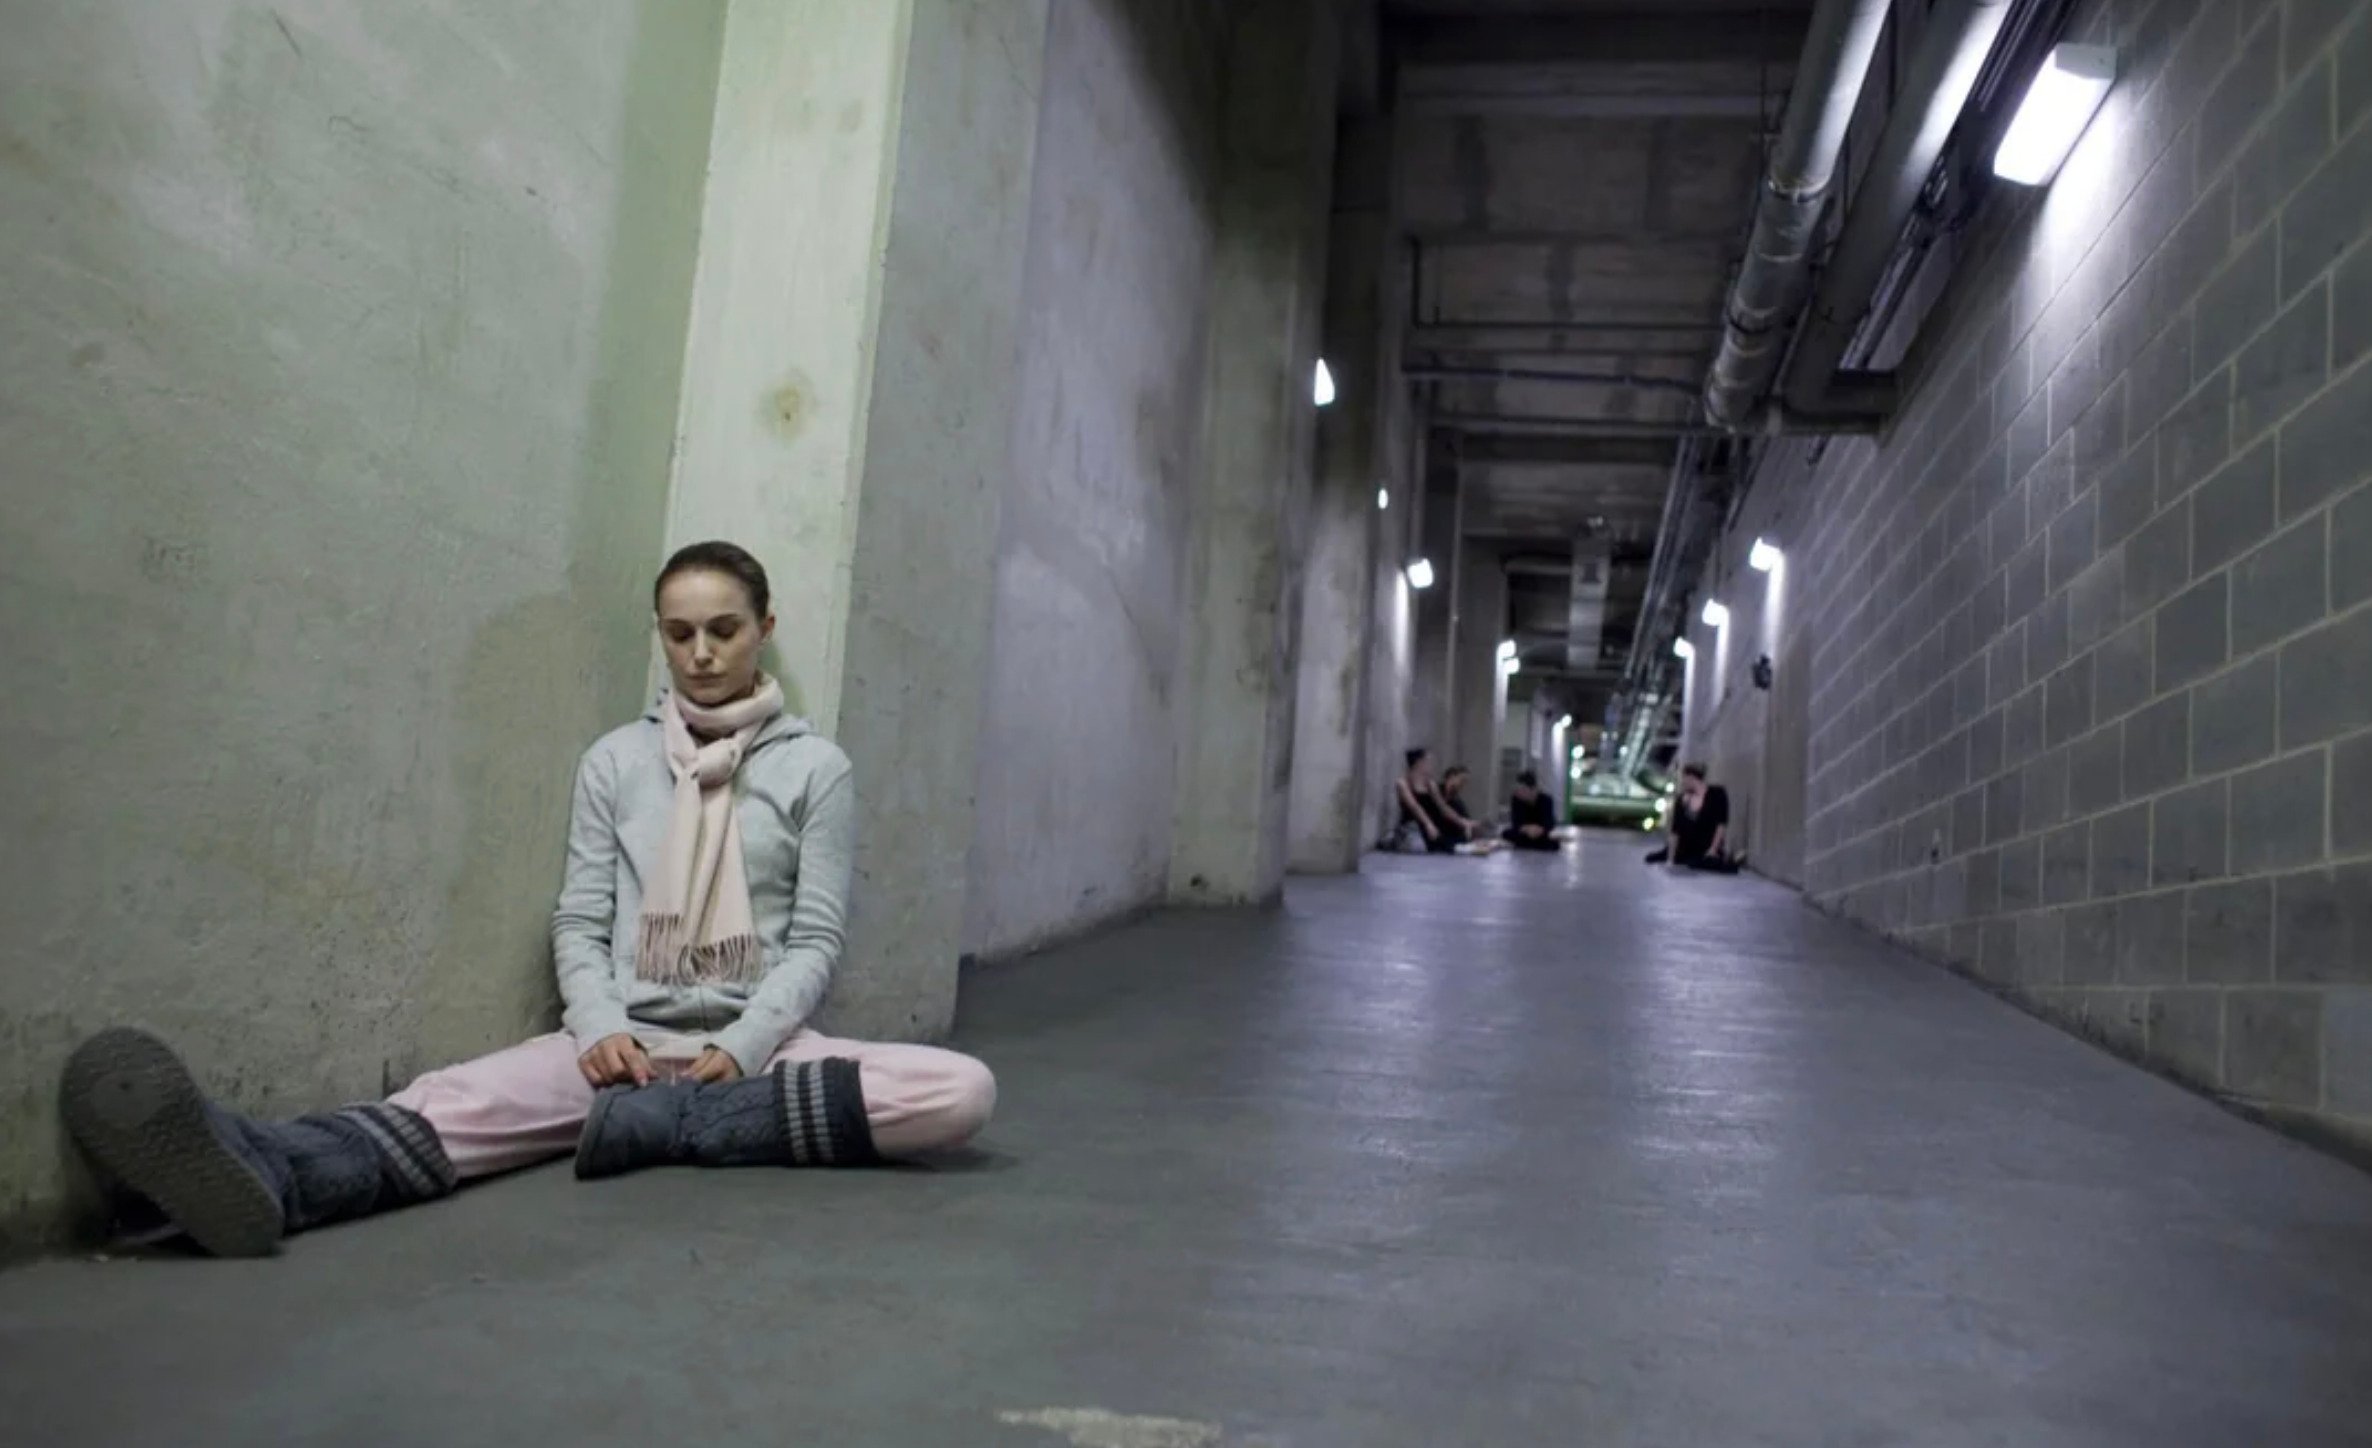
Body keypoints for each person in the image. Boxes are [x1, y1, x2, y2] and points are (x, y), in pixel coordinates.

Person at [58, 541, 997, 1258]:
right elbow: (581, 920)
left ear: (765, 628)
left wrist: (743, 1046)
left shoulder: (813, 769)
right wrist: (595, 1029)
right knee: (445, 1109)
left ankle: (679, 1129)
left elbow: (815, 941)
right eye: (680, 632)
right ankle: (259, 1167)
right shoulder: (617, 761)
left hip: (748, 1055)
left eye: (725, 629)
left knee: (955, 1090)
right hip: (618, 1048)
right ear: (660, 634)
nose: (702, 653)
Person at [1644, 762, 1743, 873]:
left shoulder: (1717, 794)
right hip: (1685, 846)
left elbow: (1721, 824)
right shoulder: (1682, 799)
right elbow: (1675, 830)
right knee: (1652, 858)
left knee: (1700, 863)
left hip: (1705, 845)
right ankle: (1678, 856)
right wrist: (1670, 860)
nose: (1682, 782)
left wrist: (1713, 849)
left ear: (1692, 778)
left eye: (1684, 779)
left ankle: (1727, 860)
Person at [1433, 765, 1502, 854]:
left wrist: (1477, 825)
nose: (1463, 785)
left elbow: (1466, 821)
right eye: (1462, 780)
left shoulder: (1457, 801)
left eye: (1465, 782)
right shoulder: (1436, 792)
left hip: (1452, 835)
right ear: (1451, 777)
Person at [1502, 770, 1559, 852]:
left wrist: (1539, 829)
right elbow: (1516, 823)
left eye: (1523, 789)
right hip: (1524, 832)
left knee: (1553, 843)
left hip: (1539, 833)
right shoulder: (1516, 799)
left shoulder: (1546, 800)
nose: (1519, 793)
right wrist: (1526, 829)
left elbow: (1549, 823)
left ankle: (1527, 844)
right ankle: (1532, 844)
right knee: (1506, 833)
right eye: (1517, 790)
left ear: (1533, 789)